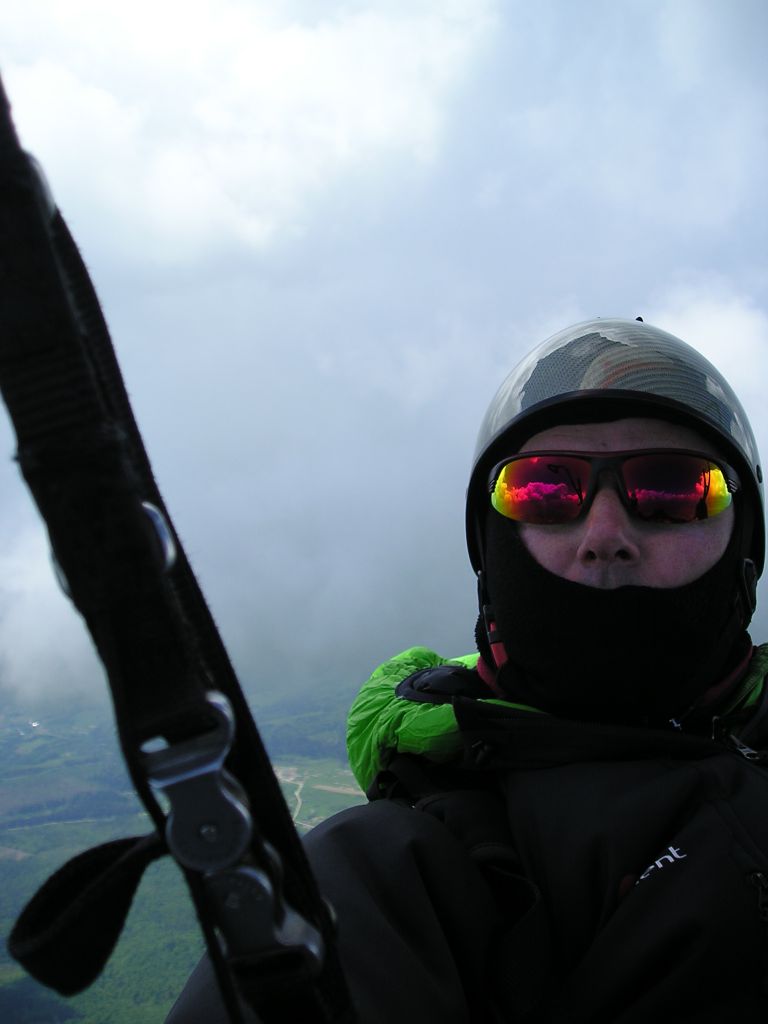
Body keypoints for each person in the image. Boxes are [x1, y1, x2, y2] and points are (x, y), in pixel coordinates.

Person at [168, 317, 768, 1023]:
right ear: (491, 552)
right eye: (544, 491)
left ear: (745, 545)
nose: (606, 535)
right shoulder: (394, 879)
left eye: (673, 489)